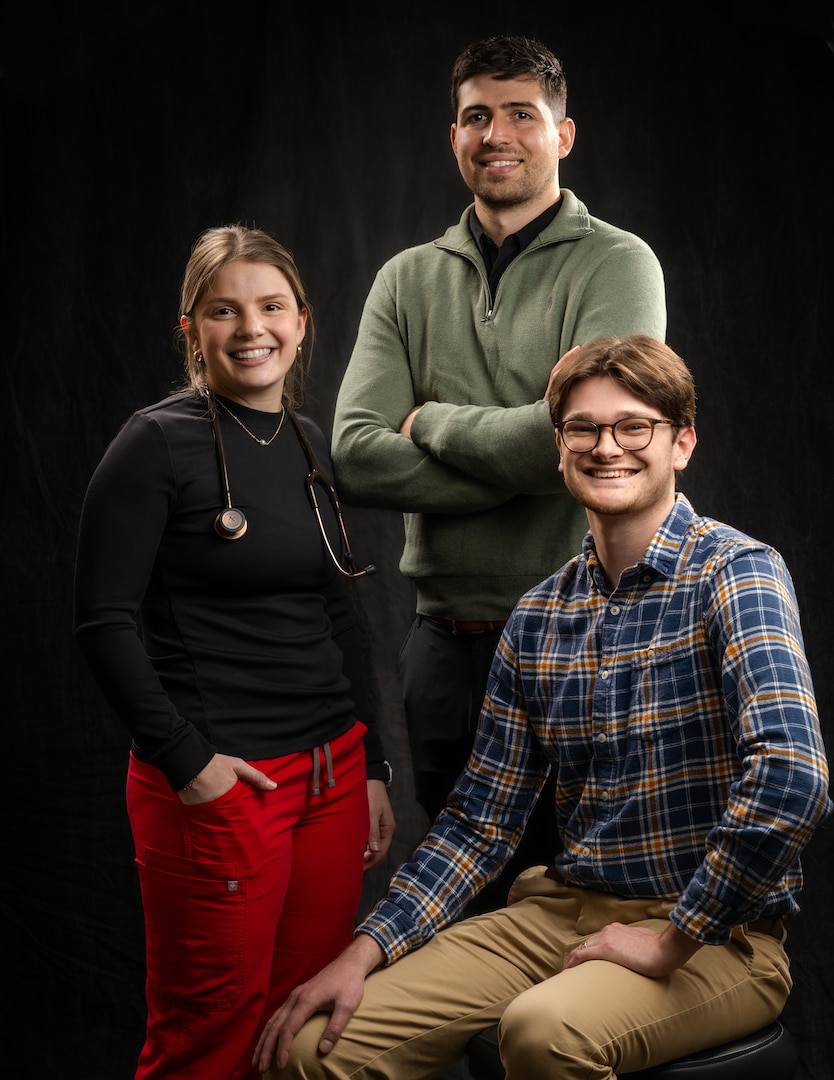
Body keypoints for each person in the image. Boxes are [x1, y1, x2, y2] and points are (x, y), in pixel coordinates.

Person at [253, 334, 831, 1080]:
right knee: (309, 1049)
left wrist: (672, 937)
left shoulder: (737, 574)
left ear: (681, 442)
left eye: (634, 426)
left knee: (542, 1032)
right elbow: (477, 824)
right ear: (558, 449)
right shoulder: (538, 615)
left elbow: (792, 775)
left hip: (720, 937)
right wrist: (363, 952)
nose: (606, 447)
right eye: (582, 429)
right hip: (559, 913)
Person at [72, 224, 395, 1080]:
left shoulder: (307, 441)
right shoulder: (155, 444)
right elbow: (101, 622)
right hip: (225, 783)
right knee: (208, 1035)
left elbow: (337, 605)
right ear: (192, 329)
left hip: (331, 779)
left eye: (271, 306)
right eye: (224, 310)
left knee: (297, 1032)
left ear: (300, 320)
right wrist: (190, 765)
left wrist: (374, 767)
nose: (252, 328)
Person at [330, 35, 668, 845]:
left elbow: (594, 443)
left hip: (580, 635)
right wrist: (532, 451)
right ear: (454, 137)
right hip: (441, 648)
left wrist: (435, 421)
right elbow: (353, 455)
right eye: (476, 116)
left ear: (563, 134)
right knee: (460, 899)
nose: (496, 135)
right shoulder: (406, 280)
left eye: (522, 114)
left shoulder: (620, 265)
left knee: (575, 894)